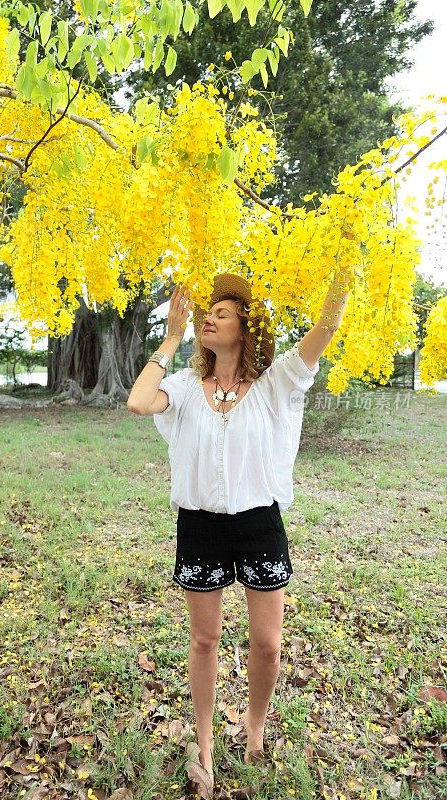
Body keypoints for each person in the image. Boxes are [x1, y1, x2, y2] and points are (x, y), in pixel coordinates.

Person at [127, 272, 350, 795]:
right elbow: (138, 402)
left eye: (221, 314)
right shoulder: (182, 387)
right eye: (207, 313)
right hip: (200, 526)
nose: (209, 317)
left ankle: (254, 725)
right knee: (204, 640)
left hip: (258, 524)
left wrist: (341, 263)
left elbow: (327, 325)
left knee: (267, 645)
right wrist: (171, 337)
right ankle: (204, 742)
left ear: (245, 328)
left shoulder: (277, 384)